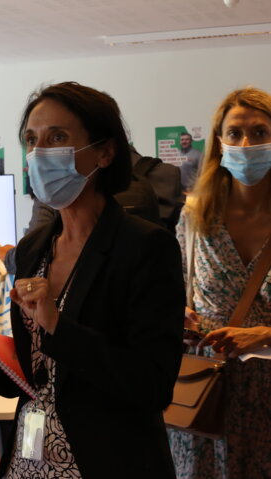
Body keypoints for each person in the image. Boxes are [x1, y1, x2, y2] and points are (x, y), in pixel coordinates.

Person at [0, 82, 184, 478]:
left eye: (58, 138)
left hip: (108, 460)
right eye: (32, 140)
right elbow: (36, 377)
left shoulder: (146, 247)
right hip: (28, 461)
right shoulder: (35, 249)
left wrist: (57, 325)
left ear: (104, 152)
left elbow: (151, 385)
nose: (39, 153)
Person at [169, 87, 271, 479]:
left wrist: (262, 334)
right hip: (206, 396)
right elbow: (173, 292)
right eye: (235, 133)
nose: (246, 143)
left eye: (260, 132)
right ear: (219, 141)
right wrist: (178, 315)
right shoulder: (196, 218)